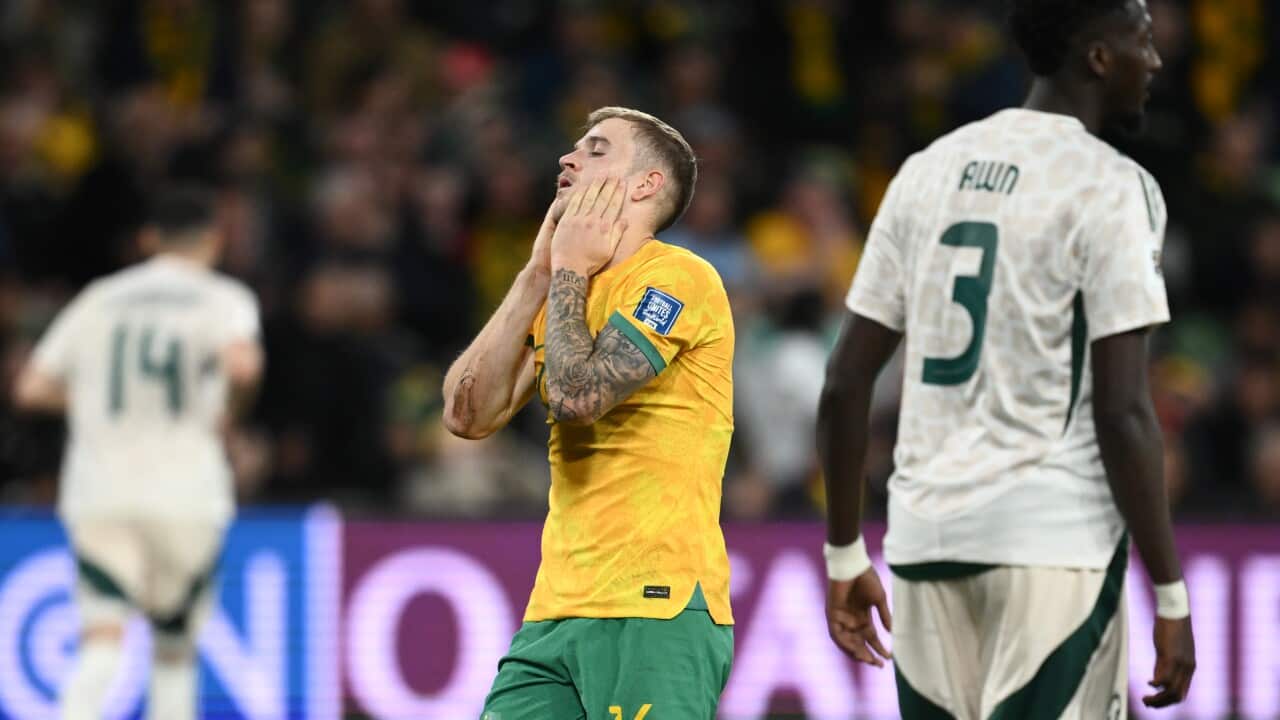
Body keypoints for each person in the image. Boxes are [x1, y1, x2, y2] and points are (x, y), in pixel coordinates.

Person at [816, 1, 1196, 717]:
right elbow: (1123, 409)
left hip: (925, 542)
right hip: (1052, 545)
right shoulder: (1110, 184)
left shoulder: (926, 171)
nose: (1155, 60)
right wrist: (1170, 593)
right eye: (1141, 40)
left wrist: (843, 555)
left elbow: (843, 384)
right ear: (1097, 57)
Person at [442, 106, 735, 719]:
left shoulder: (680, 278)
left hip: (657, 604)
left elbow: (577, 398)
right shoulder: (562, 289)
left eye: (596, 150)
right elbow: (466, 415)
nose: (567, 159)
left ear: (645, 185)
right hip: (556, 608)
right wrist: (536, 275)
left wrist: (570, 269)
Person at [15, 185, 264, 720]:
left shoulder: (99, 298)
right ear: (213, 240)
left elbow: (31, 388)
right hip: (187, 492)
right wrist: (230, 411)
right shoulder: (223, 298)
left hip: (101, 491)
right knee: (174, 647)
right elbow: (242, 367)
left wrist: (92, 400)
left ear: (150, 239)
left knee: (101, 639)